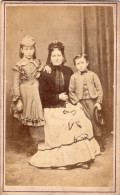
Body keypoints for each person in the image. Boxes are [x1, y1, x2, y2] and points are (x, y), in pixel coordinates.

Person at [29, 41, 100, 169]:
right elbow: (42, 96)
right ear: (50, 58)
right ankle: (69, 160)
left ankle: (81, 158)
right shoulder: (45, 72)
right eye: (54, 55)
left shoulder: (68, 70)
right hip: (51, 108)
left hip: (67, 104)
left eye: (59, 55)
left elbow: (72, 89)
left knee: (80, 118)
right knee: (64, 125)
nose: (56, 58)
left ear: (63, 57)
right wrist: (58, 97)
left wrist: (74, 102)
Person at [11, 35, 51, 155]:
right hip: (25, 93)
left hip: (36, 92)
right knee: (25, 117)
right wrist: (18, 100)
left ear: (34, 49)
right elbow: (15, 84)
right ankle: (26, 145)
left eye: (31, 49)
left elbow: (43, 69)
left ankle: (37, 143)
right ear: (22, 50)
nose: (29, 52)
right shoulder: (19, 65)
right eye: (26, 49)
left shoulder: (38, 63)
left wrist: (47, 66)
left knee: (36, 116)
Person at [69, 53, 105, 152]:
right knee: (84, 122)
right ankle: (88, 144)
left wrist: (98, 102)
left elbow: (99, 89)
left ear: (87, 63)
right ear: (75, 65)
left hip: (92, 102)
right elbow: (71, 91)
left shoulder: (93, 75)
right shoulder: (74, 77)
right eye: (78, 63)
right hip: (81, 103)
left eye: (82, 62)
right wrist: (76, 102)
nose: (80, 65)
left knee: (95, 121)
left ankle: (99, 142)